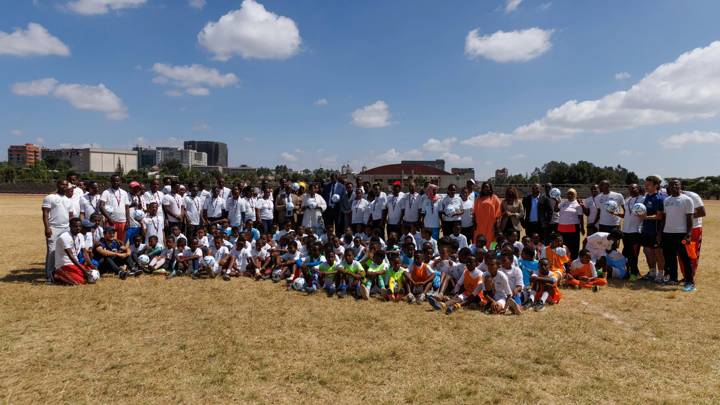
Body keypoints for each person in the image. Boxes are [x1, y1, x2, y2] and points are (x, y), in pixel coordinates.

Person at [660, 179, 695, 291]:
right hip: (667, 233)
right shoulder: (666, 200)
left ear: (680, 186)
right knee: (670, 258)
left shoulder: (687, 199)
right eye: (672, 185)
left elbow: (690, 218)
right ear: (669, 187)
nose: (674, 186)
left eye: (676, 184)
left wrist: (688, 234)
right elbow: (664, 218)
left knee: (685, 259)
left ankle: (690, 282)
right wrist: (660, 232)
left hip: (681, 234)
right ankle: (673, 279)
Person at [42, 179, 73, 282]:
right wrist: (47, 227)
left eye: (66, 185)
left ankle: (61, 273)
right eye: (62, 184)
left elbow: (71, 215)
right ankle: (49, 275)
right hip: (54, 228)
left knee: (64, 250)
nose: (64, 186)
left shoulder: (68, 199)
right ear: (58, 185)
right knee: (51, 251)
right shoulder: (50, 197)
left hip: (66, 228)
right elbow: (45, 214)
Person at [53, 218, 95, 285]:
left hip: (74, 264)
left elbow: (84, 252)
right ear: (70, 226)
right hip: (64, 265)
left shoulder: (80, 236)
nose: (78, 228)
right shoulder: (64, 237)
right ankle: (57, 275)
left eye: (80, 226)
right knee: (79, 282)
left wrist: (92, 265)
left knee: (94, 274)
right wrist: (84, 271)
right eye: (76, 226)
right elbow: (71, 256)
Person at [639, 176, 665, 282]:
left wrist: (645, 217)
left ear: (656, 186)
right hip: (646, 229)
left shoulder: (659, 198)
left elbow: (660, 216)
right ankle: (652, 272)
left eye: (648, 185)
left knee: (658, 252)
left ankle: (660, 274)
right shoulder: (647, 197)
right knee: (648, 251)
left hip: (655, 230)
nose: (646, 187)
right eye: (645, 184)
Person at [680, 184, 705, 281]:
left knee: (691, 253)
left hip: (694, 228)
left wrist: (685, 216)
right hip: (679, 229)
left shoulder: (692, 196)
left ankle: (690, 276)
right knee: (681, 254)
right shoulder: (671, 198)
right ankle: (685, 275)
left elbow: (702, 212)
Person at [622, 184, 645, 281]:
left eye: (634, 188)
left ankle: (634, 274)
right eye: (630, 188)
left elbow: (644, 214)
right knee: (626, 253)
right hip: (625, 231)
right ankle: (629, 272)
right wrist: (615, 214)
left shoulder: (643, 199)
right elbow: (626, 214)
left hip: (635, 231)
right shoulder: (627, 200)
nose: (631, 190)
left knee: (634, 254)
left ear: (639, 189)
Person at [99, 174, 130, 242]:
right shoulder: (106, 192)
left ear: (121, 182)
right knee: (111, 241)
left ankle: (119, 253)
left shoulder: (124, 193)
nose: (116, 183)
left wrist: (128, 221)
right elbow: (101, 206)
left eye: (118, 181)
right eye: (114, 181)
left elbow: (127, 207)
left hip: (123, 221)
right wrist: (109, 218)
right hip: (111, 222)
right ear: (111, 182)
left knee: (121, 242)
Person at [556, 188, 584, 260]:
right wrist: (557, 202)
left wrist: (582, 227)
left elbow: (581, 217)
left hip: (573, 228)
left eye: (572, 194)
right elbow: (556, 209)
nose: (570, 195)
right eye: (568, 193)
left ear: (575, 195)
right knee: (562, 246)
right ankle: (563, 261)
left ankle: (573, 262)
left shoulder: (578, 204)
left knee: (573, 247)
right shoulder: (563, 202)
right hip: (561, 228)